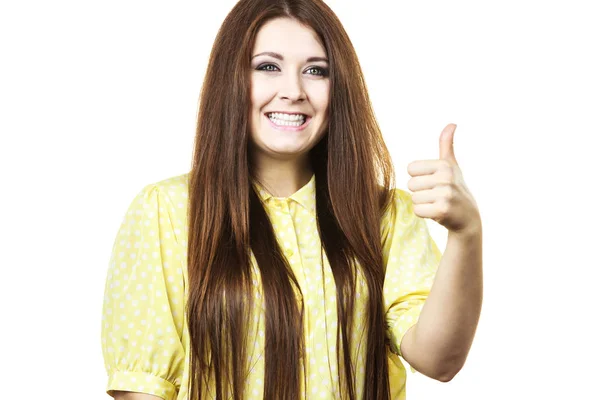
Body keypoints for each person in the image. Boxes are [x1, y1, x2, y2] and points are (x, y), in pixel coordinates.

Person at [100, 0, 483, 399]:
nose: (293, 91)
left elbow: (440, 360)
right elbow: (142, 389)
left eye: (316, 71)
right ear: (231, 79)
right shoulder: (166, 211)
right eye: (268, 66)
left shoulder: (385, 216)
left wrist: (466, 232)